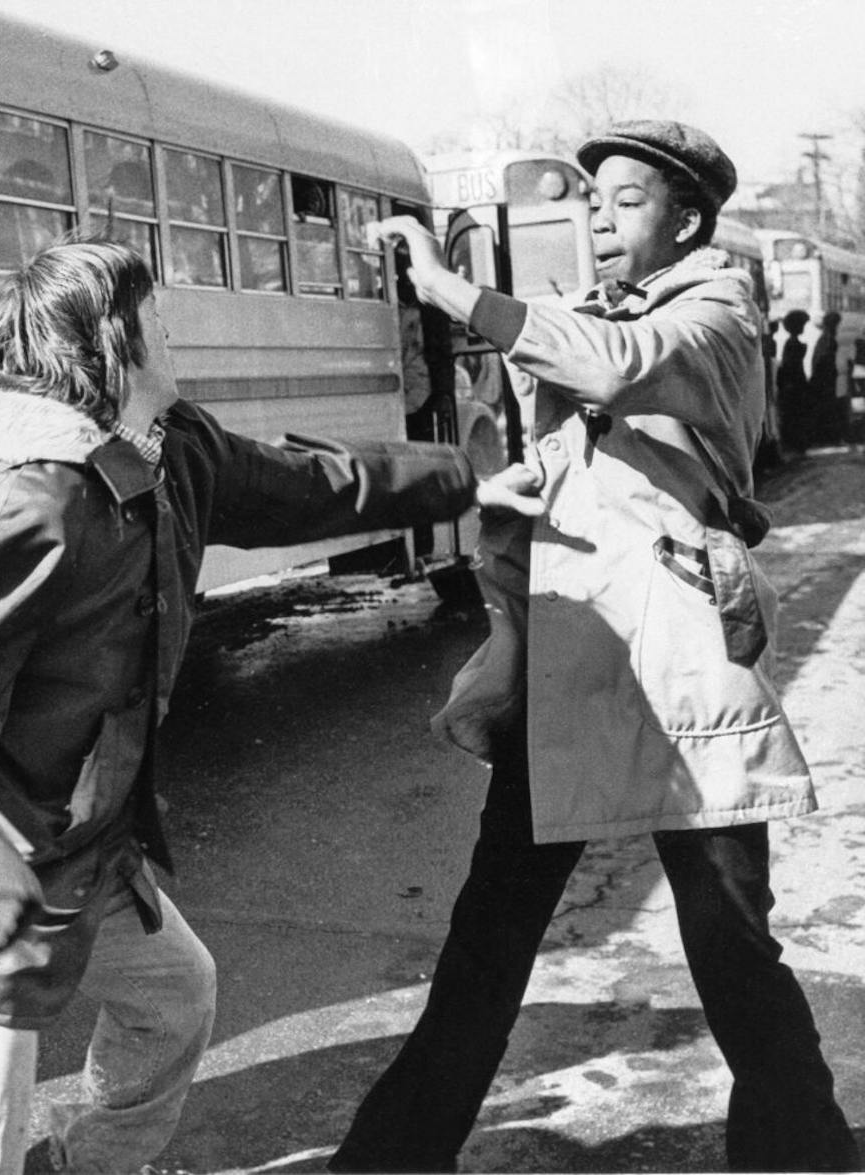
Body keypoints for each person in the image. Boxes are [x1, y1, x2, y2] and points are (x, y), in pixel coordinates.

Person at [0, 237, 546, 1175]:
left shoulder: (170, 451)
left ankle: (84, 1166)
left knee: (176, 997)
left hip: (86, 854)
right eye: (155, 317)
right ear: (110, 348)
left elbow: (301, 487)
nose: (172, 327)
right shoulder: (29, 511)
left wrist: (463, 480)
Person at [332, 122, 861, 1174]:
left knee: (728, 946)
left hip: (674, 676)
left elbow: (614, 366)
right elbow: (539, 398)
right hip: (577, 674)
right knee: (486, 941)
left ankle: (800, 1152)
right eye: (592, 202)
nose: (598, 221)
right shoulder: (598, 313)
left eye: (625, 201)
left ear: (687, 219)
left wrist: (448, 288)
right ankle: (387, 1158)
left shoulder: (713, 312)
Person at [777, 308, 811, 454]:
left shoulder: (792, 344)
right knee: (796, 416)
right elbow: (791, 367)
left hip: (794, 385)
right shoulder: (793, 345)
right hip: (794, 386)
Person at [810, 309, 843, 446]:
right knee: (827, 408)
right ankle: (827, 438)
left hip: (825, 378)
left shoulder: (825, 338)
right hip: (824, 379)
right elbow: (823, 359)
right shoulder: (827, 339)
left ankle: (826, 437)